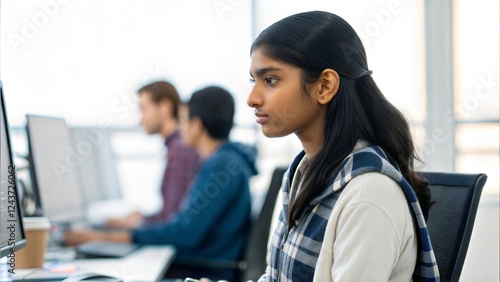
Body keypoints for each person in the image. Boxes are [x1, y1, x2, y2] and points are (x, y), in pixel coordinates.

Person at [246, 11, 440, 281]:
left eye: (270, 80)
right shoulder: (303, 172)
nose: (252, 98)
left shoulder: (368, 194)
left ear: (324, 86)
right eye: (253, 81)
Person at [64, 86, 257, 281]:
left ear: (196, 126)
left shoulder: (222, 165)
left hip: (202, 272)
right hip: (201, 267)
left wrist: (108, 237)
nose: (179, 129)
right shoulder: (225, 161)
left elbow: (183, 232)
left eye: (182, 121)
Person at [105, 81, 201, 229]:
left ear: (165, 107)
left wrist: (137, 224)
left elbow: (173, 218)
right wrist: (142, 217)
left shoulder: (181, 150)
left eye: (143, 109)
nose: (141, 119)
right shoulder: (176, 147)